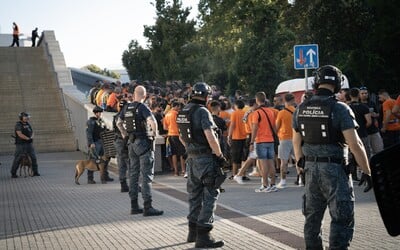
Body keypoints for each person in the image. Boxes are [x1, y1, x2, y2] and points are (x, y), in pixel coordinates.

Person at [292, 65, 372, 249]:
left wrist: (300, 165)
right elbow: (355, 144)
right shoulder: (340, 108)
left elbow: (296, 142)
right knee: (341, 218)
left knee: (312, 219)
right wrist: (367, 171)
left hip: (310, 169)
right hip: (335, 171)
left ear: (316, 82)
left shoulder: (301, 108)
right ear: (337, 83)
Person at [177, 82, 225, 248]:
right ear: (206, 96)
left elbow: (181, 136)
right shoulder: (202, 111)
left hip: (191, 160)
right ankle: (204, 234)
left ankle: (192, 231)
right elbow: (210, 135)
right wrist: (219, 156)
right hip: (205, 159)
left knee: (194, 195)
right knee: (211, 194)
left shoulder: (183, 110)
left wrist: (191, 150)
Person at [116, 85, 163, 217]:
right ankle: (148, 206)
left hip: (131, 143)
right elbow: (152, 121)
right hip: (143, 143)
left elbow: (118, 122)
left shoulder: (126, 107)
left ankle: (134, 206)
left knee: (133, 175)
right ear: (144, 95)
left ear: (134, 94)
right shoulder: (142, 107)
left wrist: (125, 134)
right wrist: (154, 135)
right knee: (146, 176)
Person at [251, 92, 278, 193]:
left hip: (261, 140)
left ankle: (265, 184)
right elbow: (274, 127)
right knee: (271, 162)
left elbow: (254, 128)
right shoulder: (270, 111)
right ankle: (273, 184)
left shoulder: (256, 113)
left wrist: (251, 142)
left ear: (257, 100)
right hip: (270, 140)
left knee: (263, 163)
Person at [86, 106, 114, 184]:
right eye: (98, 113)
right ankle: (90, 178)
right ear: (95, 113)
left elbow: (104, 130)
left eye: (100, 113)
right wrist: (91, 143)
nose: (99, 114)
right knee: (92, 160)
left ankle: (105, 175)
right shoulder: (91, 122)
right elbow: (89, 133)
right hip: (95, 143)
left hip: (102, 142)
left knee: (105, 159)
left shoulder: (100, 121)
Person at [275, 93, 296, 188]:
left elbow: (277, 127)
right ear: (293, 100)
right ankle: (301, 179)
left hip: (284, 138)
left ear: (284, 101)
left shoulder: (281, 113)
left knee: (284, 161)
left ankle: (283, 181)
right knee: (298, 160)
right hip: (295, 138)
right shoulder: (296, 111)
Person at [10, 112, 40, 177]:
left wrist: (31, 137)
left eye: (27, 117)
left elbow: (32, 132)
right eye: (25, 117)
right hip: (21, 145)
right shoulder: (18, 124)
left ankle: (35, 172)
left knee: (33, 158)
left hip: (29, 144)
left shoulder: (28, 124)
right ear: (21, 117)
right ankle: (13, 173)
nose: (27, 118)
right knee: (18, 159)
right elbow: (19, 134)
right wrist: (27, 138)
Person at [163, 101, 186, 176]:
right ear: (176, 106)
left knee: (174, 154)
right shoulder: (176, 114)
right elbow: (180, 124)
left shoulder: (167, 114)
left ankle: (176, 172)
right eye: (179, 107)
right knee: (182, 153)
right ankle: (183, 170)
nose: (179, 108)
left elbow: (165, 127)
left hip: (170, 135)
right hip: (178, 135)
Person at [227, 99, 247, 178]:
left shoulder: (234, 113)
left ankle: (234, 174)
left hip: (236, 137)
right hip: (245, 136)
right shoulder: (246, 113)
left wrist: (229, 135)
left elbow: (232, 125)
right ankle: (243, 174)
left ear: (236, 105)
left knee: (235, 157)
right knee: (243, 157)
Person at [113, 99, 129, 192]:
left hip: (117, 141)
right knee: (131, 163)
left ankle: (123, 185)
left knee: (121, 164)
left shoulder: (115, 116)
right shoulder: (125, 116)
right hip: (124, 141)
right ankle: (133, 185)